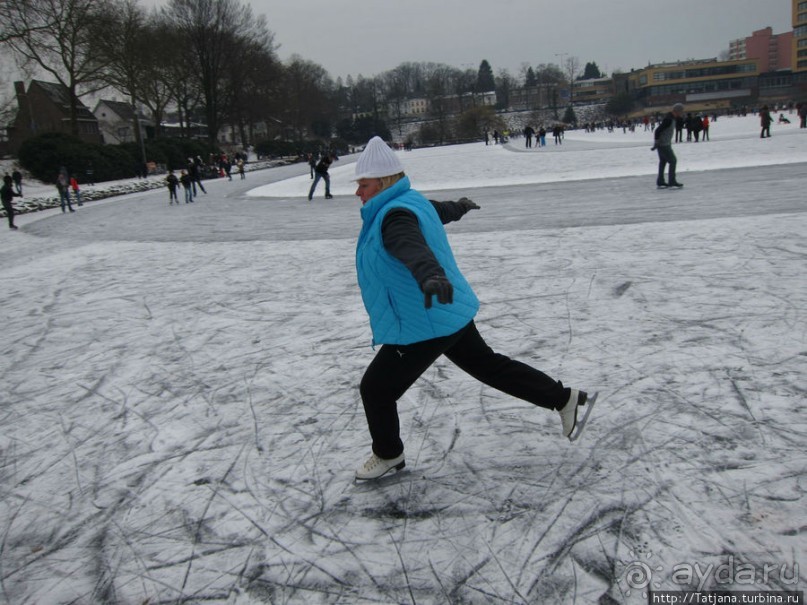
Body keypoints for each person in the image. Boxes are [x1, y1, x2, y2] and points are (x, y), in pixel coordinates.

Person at [351, 136, 593, 480]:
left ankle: (388, 454)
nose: (358, 192)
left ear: (384, 182)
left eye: (364, 184)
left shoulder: (394, 217)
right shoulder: (410, 201)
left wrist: (430, 274)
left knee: (376, 387)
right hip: (449, 312)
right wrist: (460, 206)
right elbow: (439, 211)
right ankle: (563, 398)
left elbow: (411, 247)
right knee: (489, 366)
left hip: (427, 319)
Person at [652, 103, 685, 189]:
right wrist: (657, 141)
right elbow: (657, 130)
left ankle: (660, 181)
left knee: (663, 162)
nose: (681, 113)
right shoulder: (668, 119)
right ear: (677, 111)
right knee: (673, 161)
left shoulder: (671, 118)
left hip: (664, 144)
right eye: (681, 111)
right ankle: (672, 181)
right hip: (664, 145)